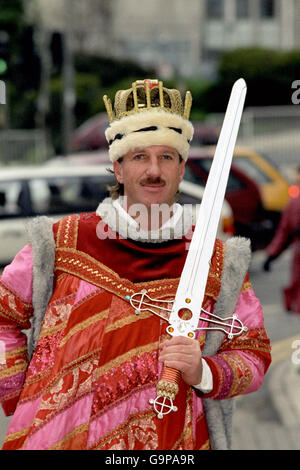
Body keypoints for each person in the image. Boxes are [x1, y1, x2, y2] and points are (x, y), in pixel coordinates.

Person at [0, 79, 271, 450]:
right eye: (140, 156)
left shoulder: (217, 262)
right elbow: (3, 316)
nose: (153, 170)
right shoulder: (62, 242)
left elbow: (253, 352)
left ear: (181, 168)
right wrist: (22, 396)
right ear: (118, 168)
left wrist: (203, 372)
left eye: (167, 157)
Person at [263, 166, 300, 314]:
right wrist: (271, 255)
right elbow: (285, 231)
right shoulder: (294, 202)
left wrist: (272, 255)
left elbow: (285, 232)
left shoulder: (295, 202)